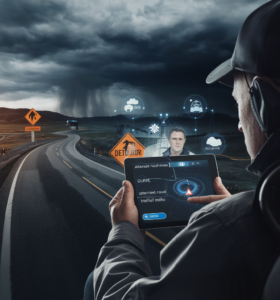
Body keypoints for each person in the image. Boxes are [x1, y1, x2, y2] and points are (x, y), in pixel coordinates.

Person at [84, 1, 280, 299]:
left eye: (240, 104)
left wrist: (124, 232)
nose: (240, 125)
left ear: (266, 104)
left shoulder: (226, 226)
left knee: (91, 284)